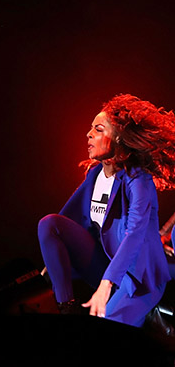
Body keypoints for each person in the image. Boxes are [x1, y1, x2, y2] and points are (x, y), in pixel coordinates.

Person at [37, 93, 175, 327]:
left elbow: (135, 235)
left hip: (137, 277)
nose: (89, 134)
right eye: (91, 128)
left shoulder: (139, 180)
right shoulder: (95, 175)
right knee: (49, 223)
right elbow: (69, 219)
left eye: (98, 129)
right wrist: (53, 264)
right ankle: (66, 309)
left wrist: (106, 284)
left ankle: (142, 312)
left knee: (105, 329)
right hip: (106, 264)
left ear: (119, 139)